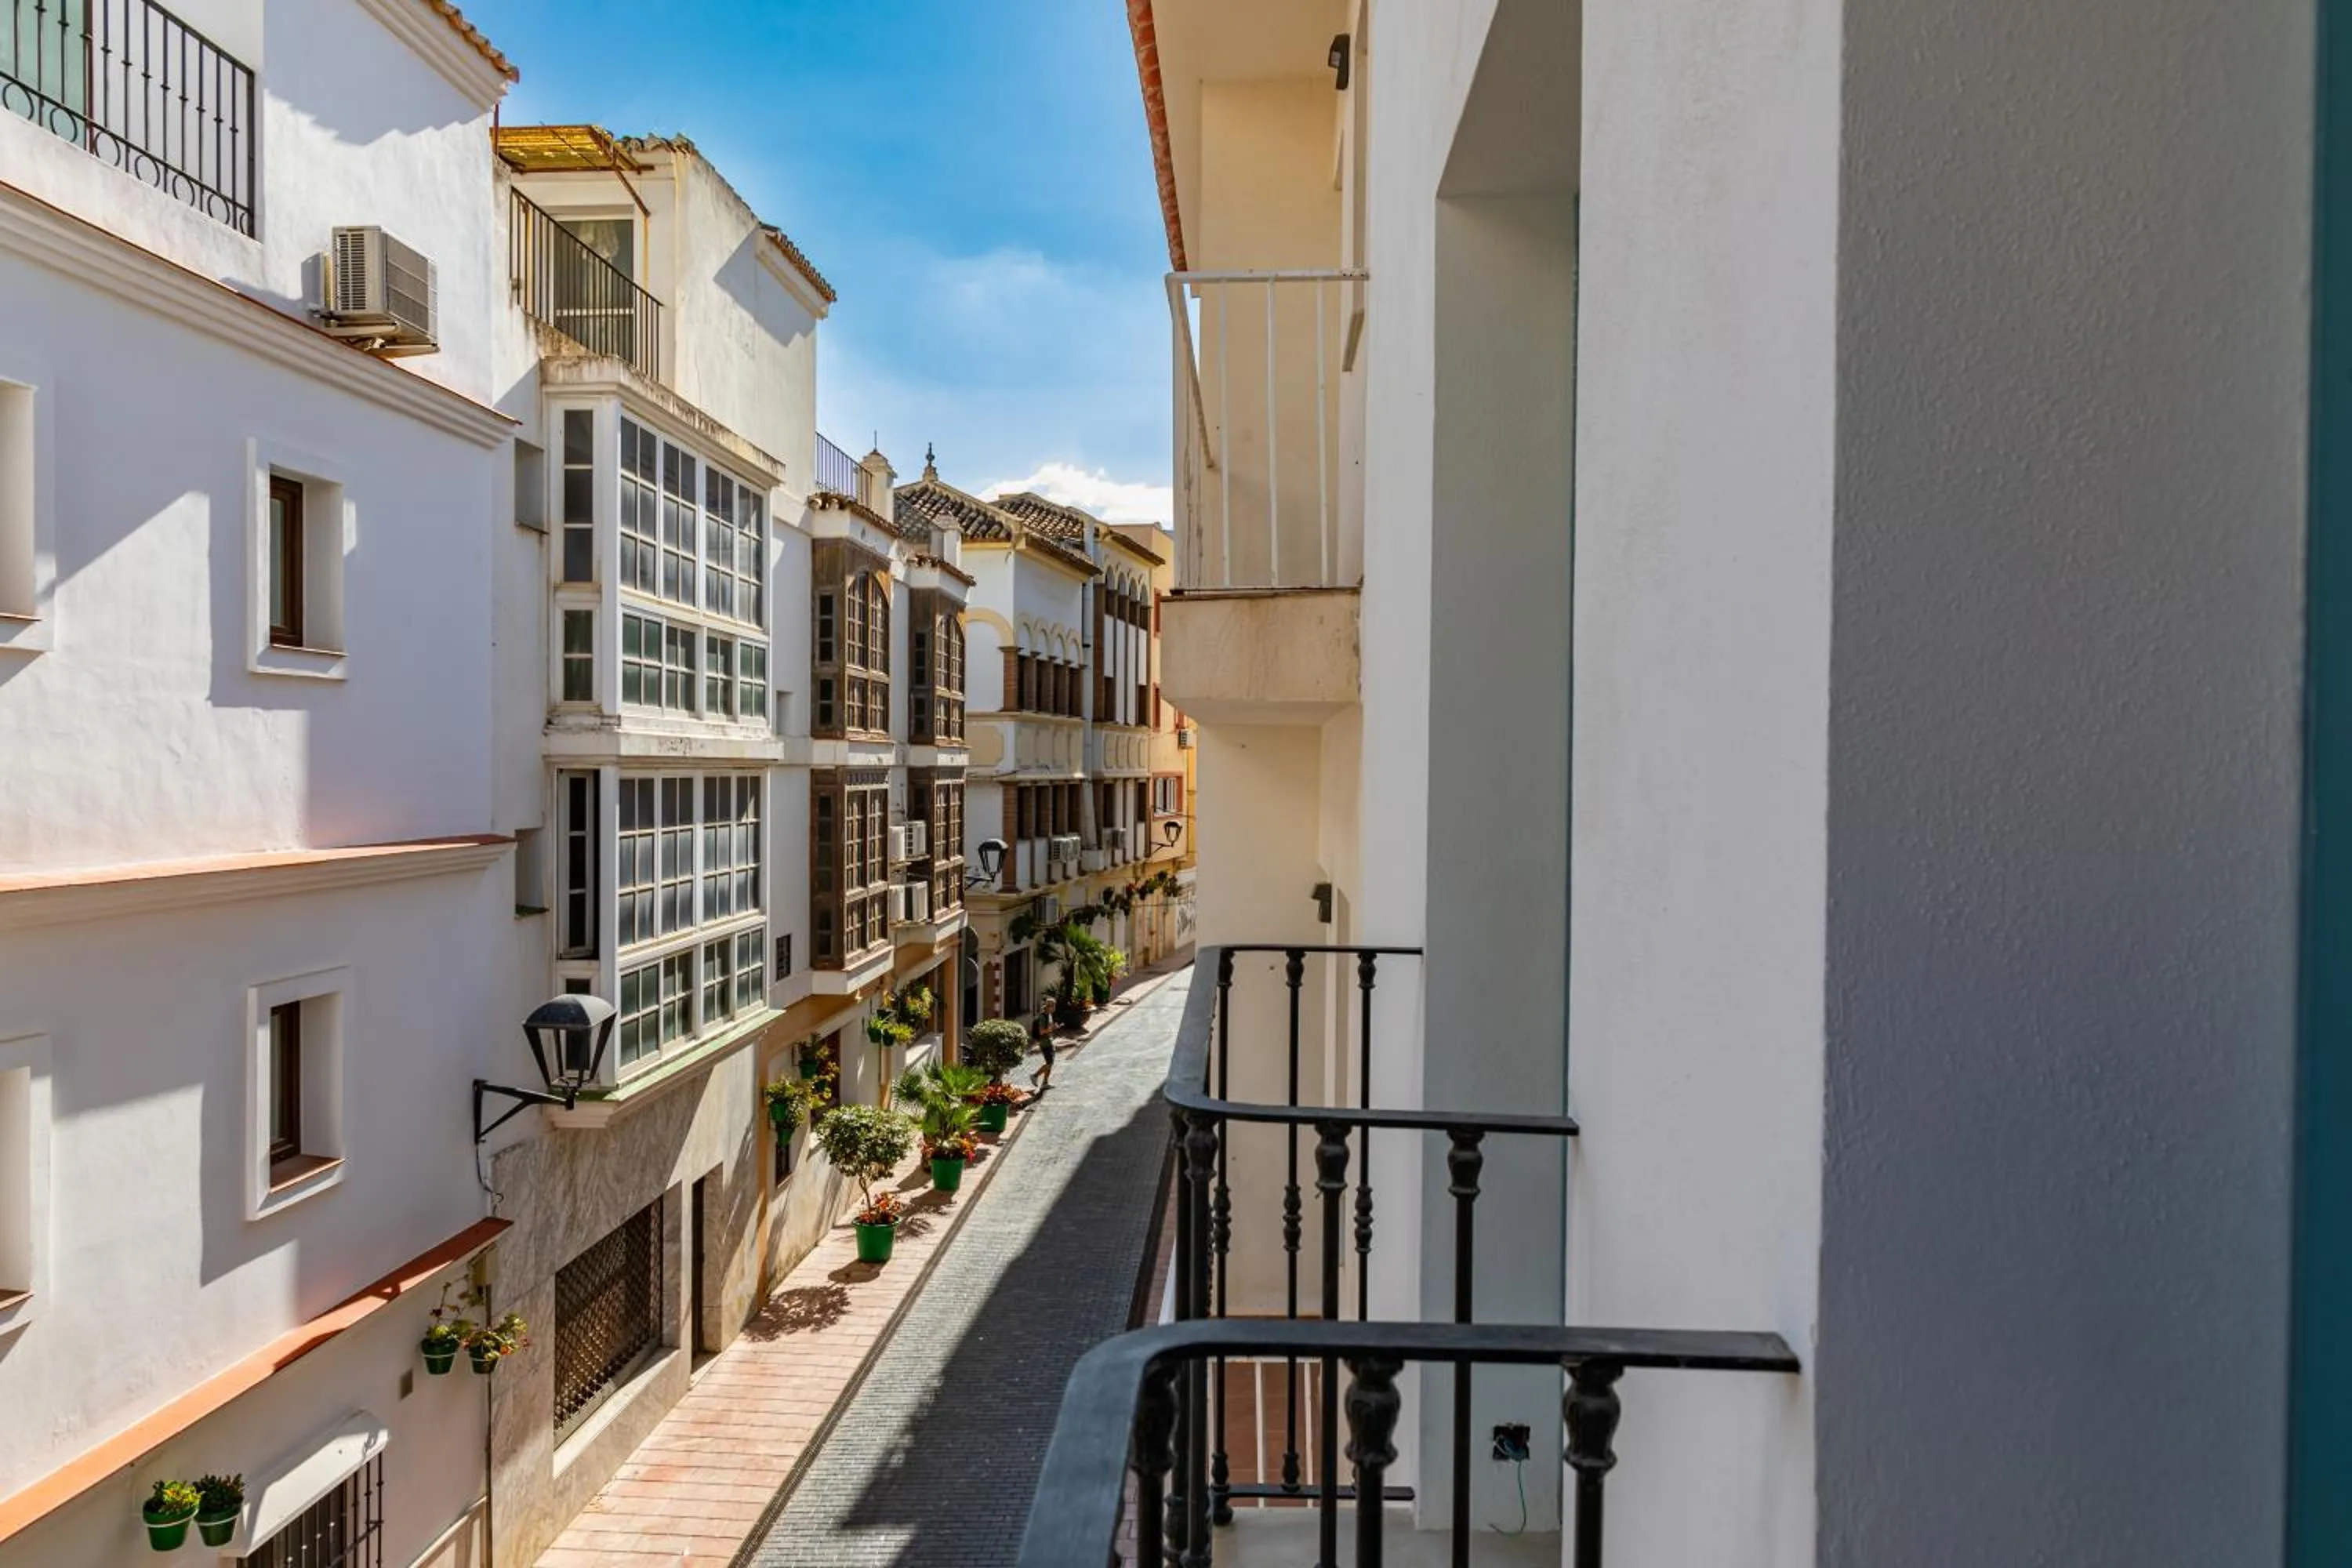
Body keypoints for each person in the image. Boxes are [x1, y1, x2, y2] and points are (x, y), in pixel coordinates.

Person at [1029, 1006, 1058, 1094]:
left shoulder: (1049, 1015)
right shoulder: (1043, 1017)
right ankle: (1035, 1075)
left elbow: (1049, 1029)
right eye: (1052, 1006)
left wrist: (1054, 1028)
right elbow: (1041, 1031)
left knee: (1051, 1063)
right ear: (1048, 1007)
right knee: (1049, 1063)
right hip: (1044, 1043)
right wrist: (1051, 1029)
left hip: (1050, 1041)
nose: (1054, 1007)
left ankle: (1045, 1083)